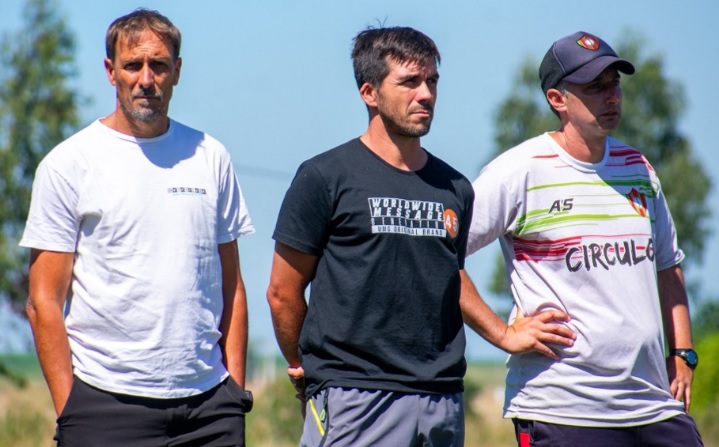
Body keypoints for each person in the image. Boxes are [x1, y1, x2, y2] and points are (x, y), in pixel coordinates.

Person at [21, 9, 254, 447]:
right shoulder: (69, 164)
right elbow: (42, 301)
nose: (146, 79)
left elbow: (233, 286)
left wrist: (234, 394)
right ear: (111, 71)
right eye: (133, 65)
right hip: (104, 405)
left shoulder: (210, 156)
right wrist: (71, 410)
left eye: (159, 65)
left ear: (177, 71)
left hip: (209, 409)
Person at [462, 31, 703, 446]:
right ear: (558, 99)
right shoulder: (519, 171)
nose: (611, 96)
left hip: (653, 404)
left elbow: (668, 264)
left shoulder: (638, 168)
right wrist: (503, 334)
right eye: (595, 87)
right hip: (563, 408)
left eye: (615, 83)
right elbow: (436, 254)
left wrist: (683, 351)